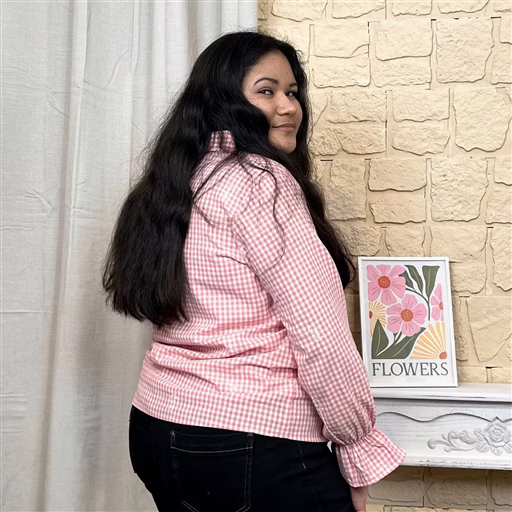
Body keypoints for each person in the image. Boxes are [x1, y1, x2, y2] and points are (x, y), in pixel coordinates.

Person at [102, 30, 406, 512]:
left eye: (292, 92)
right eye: (267, 91)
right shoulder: (261, 182)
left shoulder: (174, 180)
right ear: (224, 100)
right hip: (253, 438)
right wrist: (357, 447)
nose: (289, 107)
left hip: (156, 427)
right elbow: (319, 335)